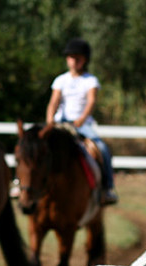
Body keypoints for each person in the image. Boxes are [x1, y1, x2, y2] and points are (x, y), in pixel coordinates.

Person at [46, 38, 118, 205]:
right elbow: (53, 102)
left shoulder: (90, 80)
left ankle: (108, 188)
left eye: (77, 58)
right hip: (61, 123)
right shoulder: (61, 80)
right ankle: (21, 185)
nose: (74, 61)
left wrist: (81, 119)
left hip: (82, 124)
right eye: (71, 57)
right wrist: (50, 120)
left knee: (102, 148)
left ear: (85, 60)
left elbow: (91, 102)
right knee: (36, 145)